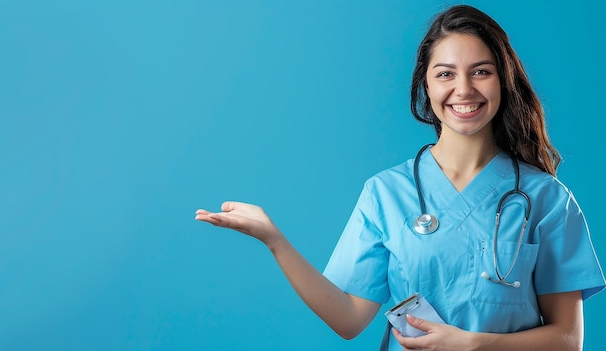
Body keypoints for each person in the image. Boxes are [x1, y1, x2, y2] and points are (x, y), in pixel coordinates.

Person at [195, 4, 605, 350]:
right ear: (425, 86)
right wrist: (275, 240)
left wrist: (473, 344)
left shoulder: (546, 198)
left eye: (481, 71)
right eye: (445, 73)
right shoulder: (385, 193)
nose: (463, 89)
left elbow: (568, 339)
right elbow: (349, 319)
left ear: (504, 82)